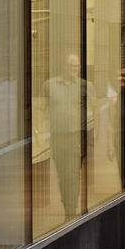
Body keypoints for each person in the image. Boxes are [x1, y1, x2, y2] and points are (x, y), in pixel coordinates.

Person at [43, 51, 90, 221]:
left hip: (75, 138)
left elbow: (94, 111)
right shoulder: (50, 85)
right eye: (71, 65)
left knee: (72, 174)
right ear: (63, 66)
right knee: (63, 176)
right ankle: (67, 204)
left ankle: (70, 211)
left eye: (76, 66)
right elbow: (42, 109)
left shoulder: (84, 86)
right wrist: (39, 133)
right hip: (57, 138)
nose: (74, 69)